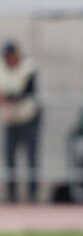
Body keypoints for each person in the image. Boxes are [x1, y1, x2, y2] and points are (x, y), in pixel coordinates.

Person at [0, 40, 42, 204]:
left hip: (29, 118)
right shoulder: (2, 68)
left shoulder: (29, 67)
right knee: (10, 157)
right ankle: (12, 195)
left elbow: (27, 92)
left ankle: (32, 195)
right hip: (11, 119)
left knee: (31, 157)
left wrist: (7, 97)